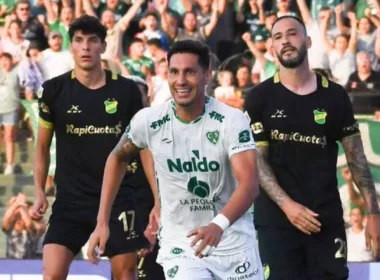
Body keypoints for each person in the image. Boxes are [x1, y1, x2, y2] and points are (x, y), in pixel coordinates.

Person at [87, 40, 263, 280]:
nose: (180, 80)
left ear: (207, 76)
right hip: (181, 245)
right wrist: (102, 222)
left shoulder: (232, 121)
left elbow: (250, 185)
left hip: (233, 243)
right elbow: (117, 157)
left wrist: (218, 225)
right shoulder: (149, 120)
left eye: (190, 72)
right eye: (174, 72)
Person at [244, 15, 380, 280]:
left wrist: (373, 212)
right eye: (278, 37)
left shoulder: (335, 95)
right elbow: (257, 162)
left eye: (292, 34)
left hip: (324, 219)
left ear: (307, 40)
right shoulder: (259, 97)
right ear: (271, 48)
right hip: (277, 222)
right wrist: (287, 206)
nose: (285, 41)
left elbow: (356, 157)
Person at [31, 15, 149, 280]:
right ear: (70, 46)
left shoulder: (127, 90)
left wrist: (156, 201)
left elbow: (144, 148)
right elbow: (41, 146)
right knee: (51, 274)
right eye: (79, 41)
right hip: (71, 200)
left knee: (125, 274)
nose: (86, 47)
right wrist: (39, 191)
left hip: (119, 200)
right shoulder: (53, 90)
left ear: (103, 47)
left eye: (93, 41)